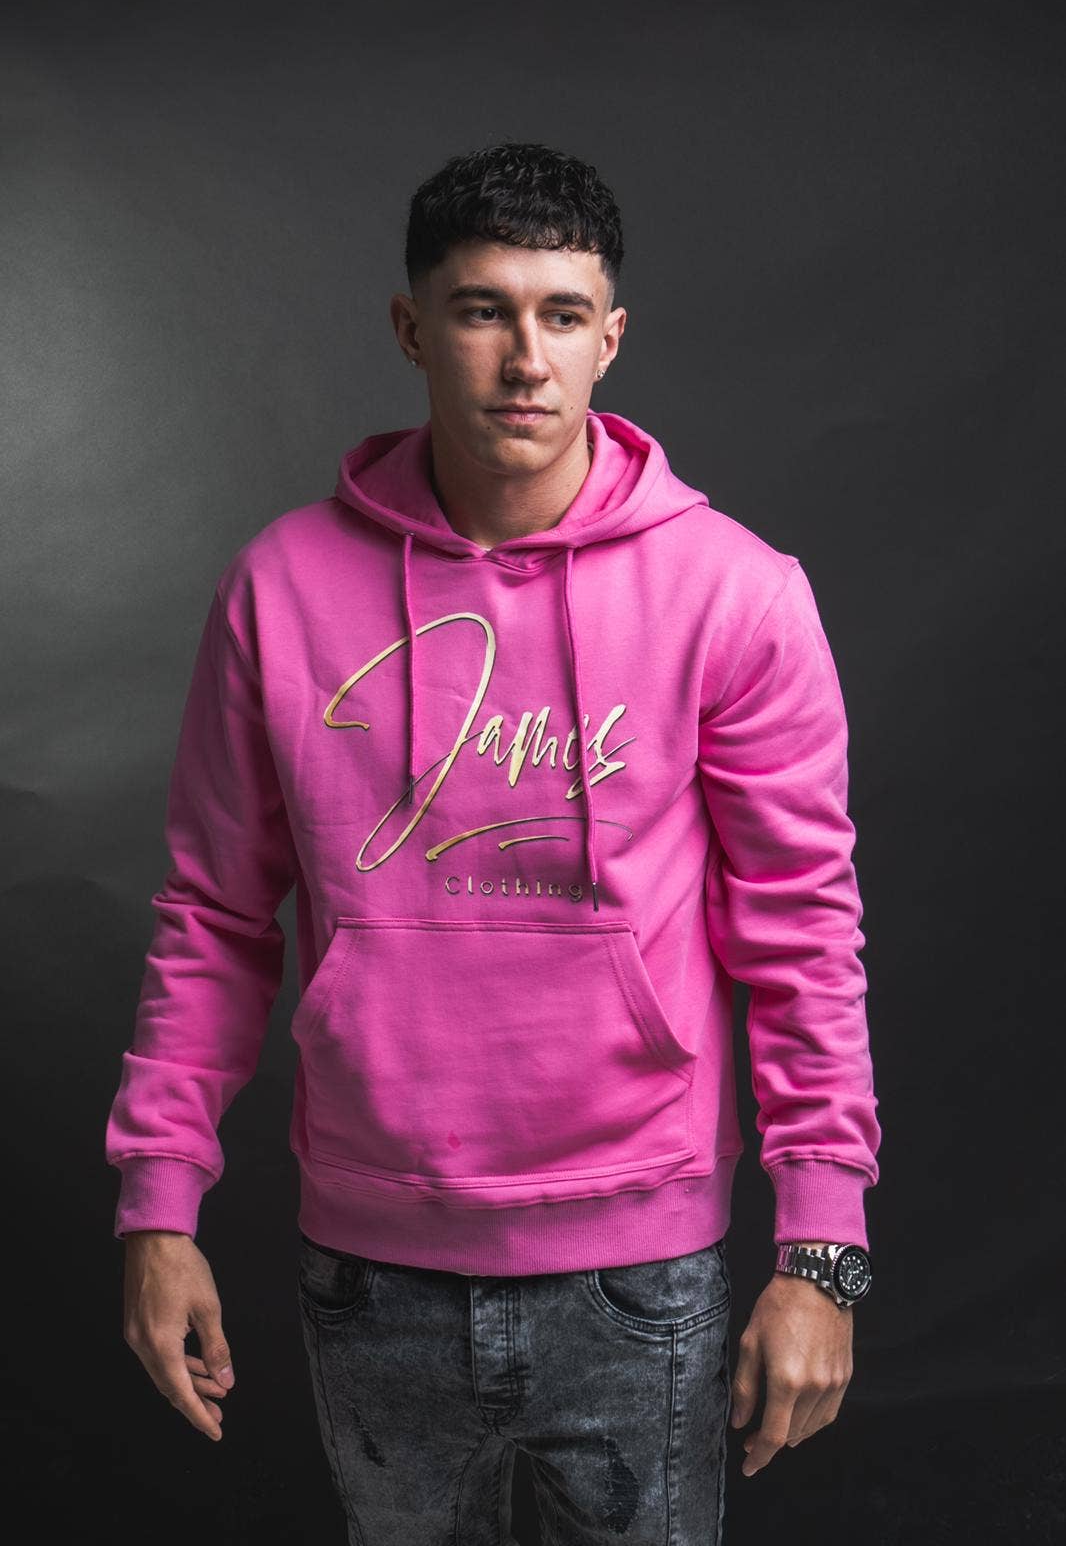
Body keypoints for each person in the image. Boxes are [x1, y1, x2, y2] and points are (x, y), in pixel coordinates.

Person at [106, 140, 881, 1544]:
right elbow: (214, 913)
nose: (526, 359)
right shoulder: (279, 589)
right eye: (481, 311)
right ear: (412, 328)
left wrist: (821, 1247)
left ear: (609, 339)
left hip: (642, 1259)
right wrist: (159, 1209)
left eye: (561, 315)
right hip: (371, 1261)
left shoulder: (735, 594)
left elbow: (801, 927)